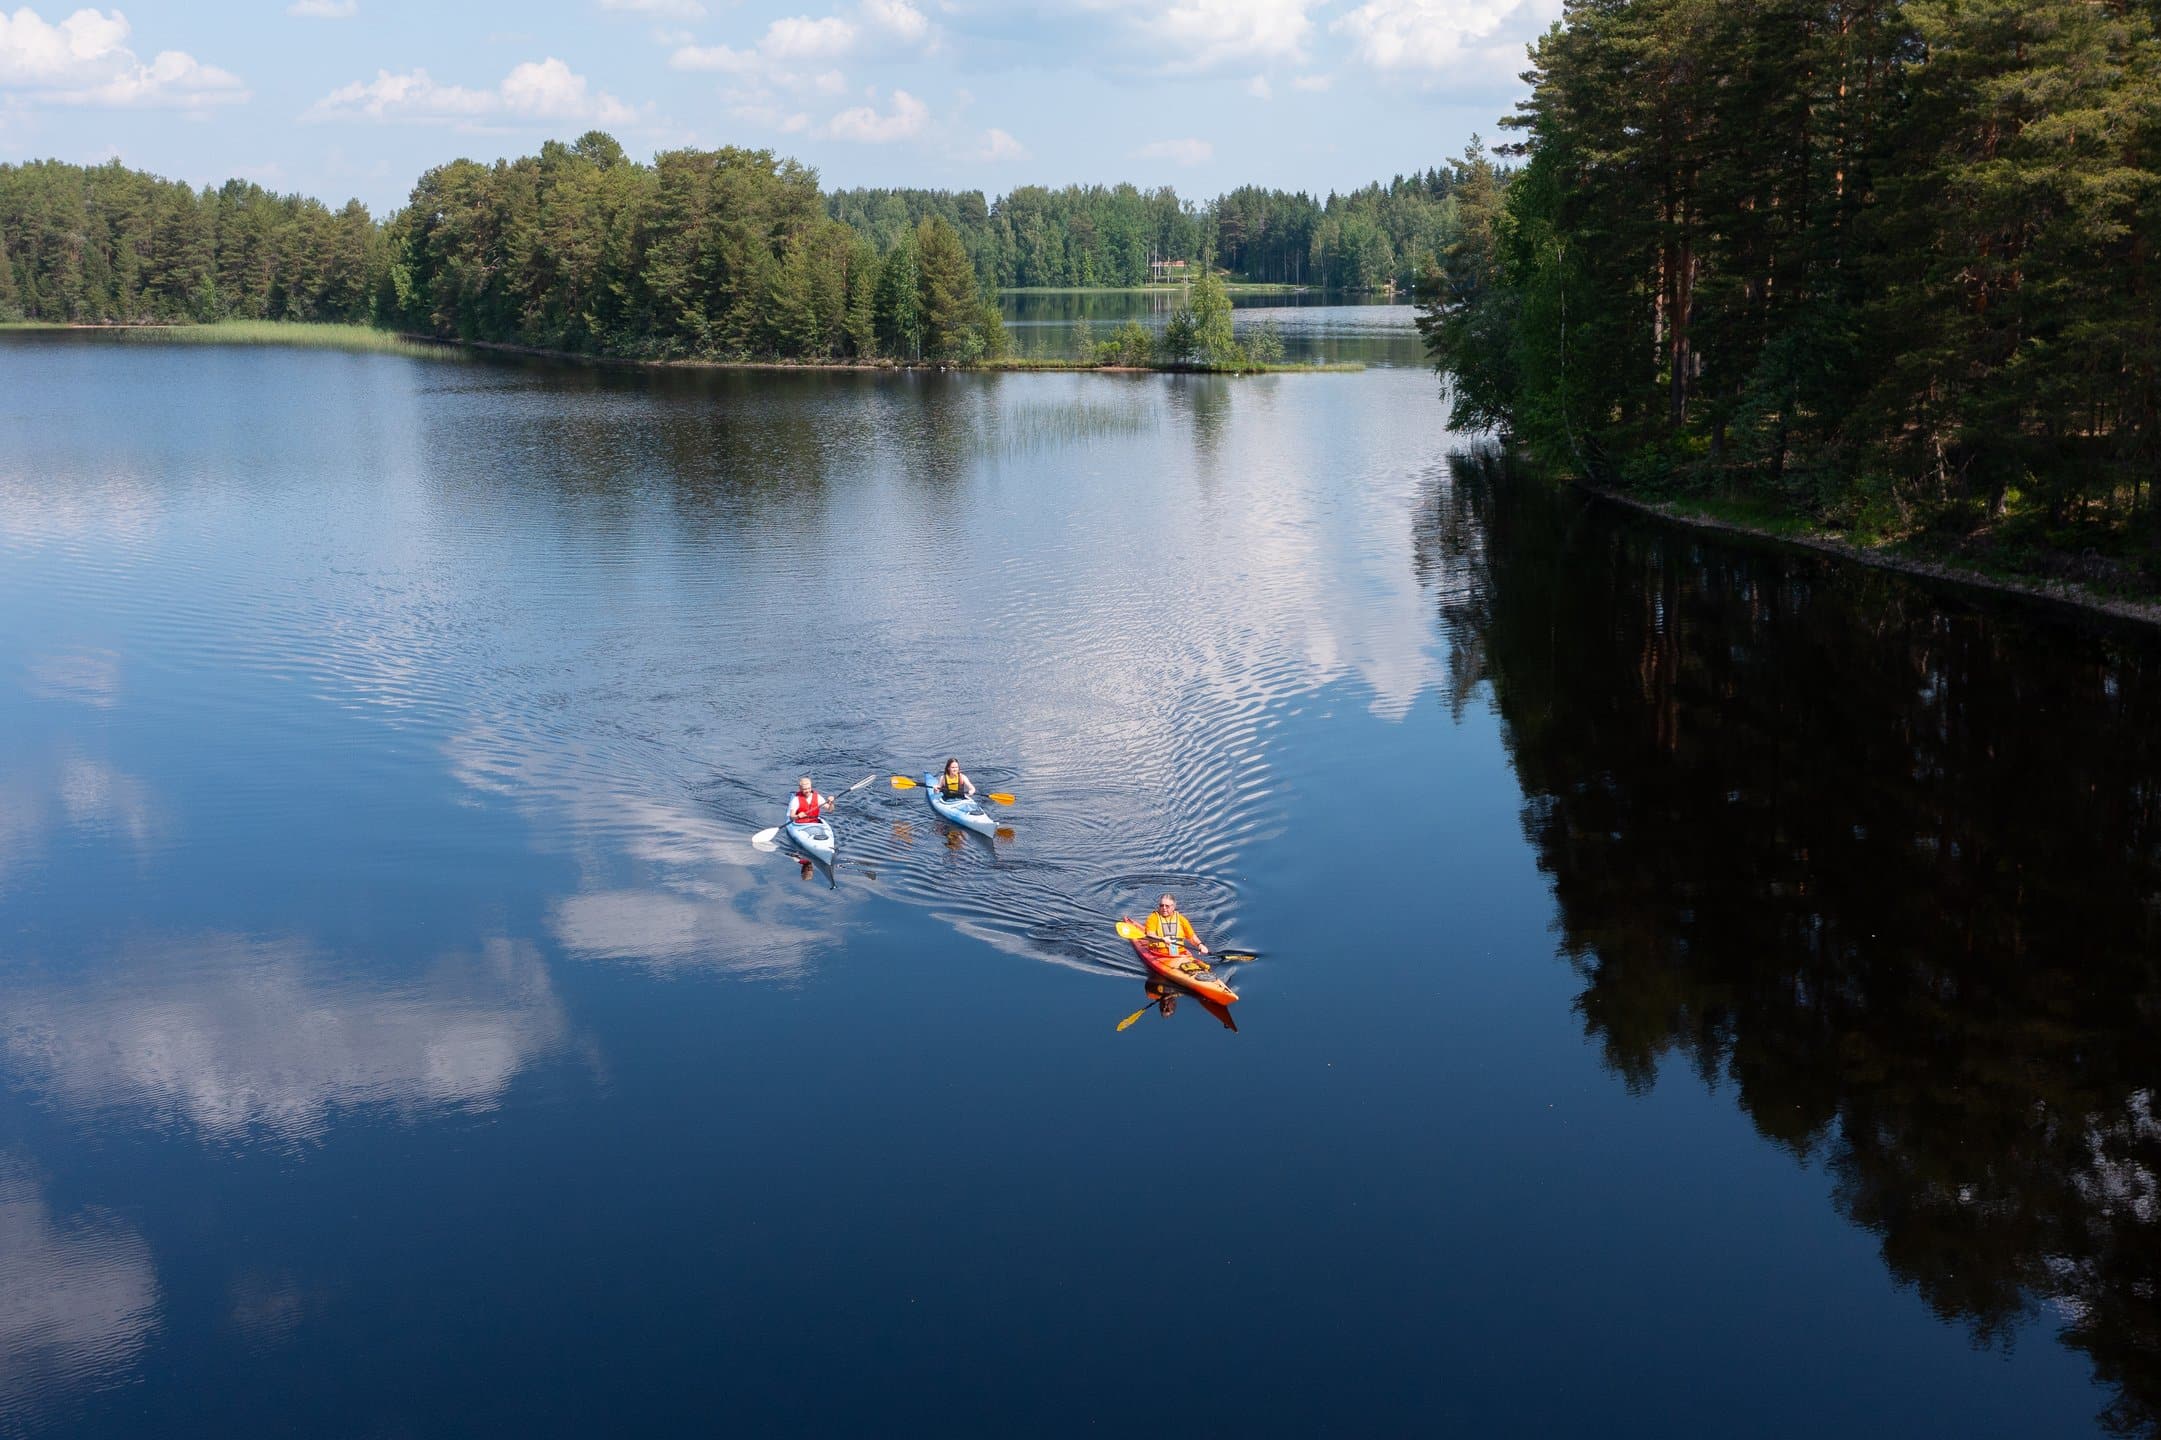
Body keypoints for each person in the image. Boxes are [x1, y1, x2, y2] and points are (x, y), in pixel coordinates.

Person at [1143, 893, 1208, 956]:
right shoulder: (1153, 918)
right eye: (1161, 905)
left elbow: (1192, 937)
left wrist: (1200, 945)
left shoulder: (1181, 919)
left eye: (1167, 906)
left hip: (1180, 953)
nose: (1164, 908)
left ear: (1173, 907)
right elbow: (1150, 935)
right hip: (1157, 954)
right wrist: (1162, 939)